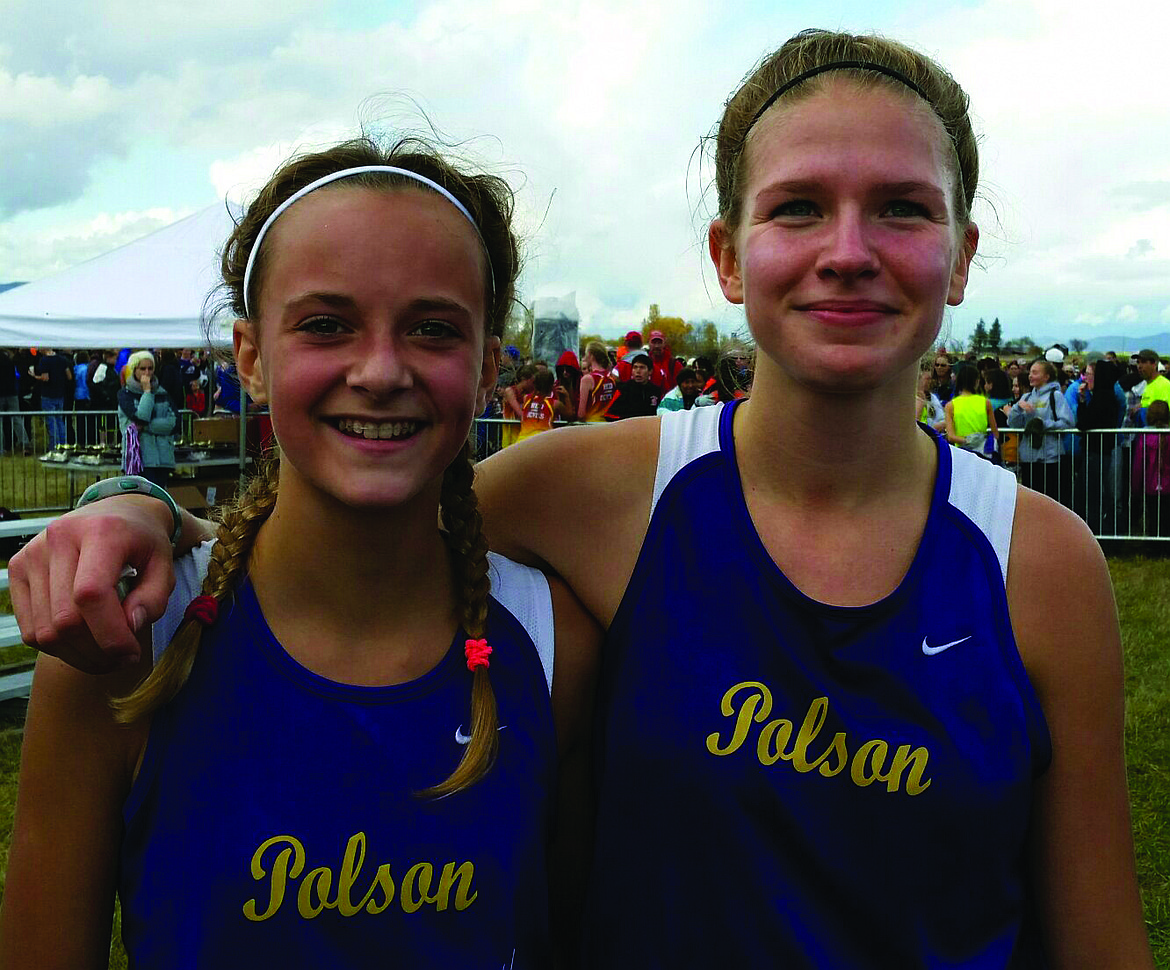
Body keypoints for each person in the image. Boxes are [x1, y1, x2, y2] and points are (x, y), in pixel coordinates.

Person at [7, 30, 1153, 969]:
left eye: (903, 207)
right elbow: (344, 545)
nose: (847, 251)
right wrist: (139, 512)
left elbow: (1094, 934)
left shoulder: (1038, 566)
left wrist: (138, 512)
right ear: (726, 253)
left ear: (959, 256)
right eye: (798, 206)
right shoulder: (597, 492)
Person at [0, 138, 601, 968]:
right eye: (326, 324)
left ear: (489, 365)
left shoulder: (552, 642)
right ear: (250, 358)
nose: (382, 370)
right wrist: (140, 504)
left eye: (432, 329)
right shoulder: (123, 639)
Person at [1007, 358, 1076, 503]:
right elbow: (1013, 424)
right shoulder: (1026, 397)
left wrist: (1043, 424)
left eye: (1035, 372)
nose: (1031, 376)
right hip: (1028, 456)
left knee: (1049, 498)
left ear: (1046, 377)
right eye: (1030, 372)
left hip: (1049, 456)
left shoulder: (1055, 396)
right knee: (1031, 499)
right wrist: (1017, 409)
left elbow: (1067, 422)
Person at [117, 351, 177, 487]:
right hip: (140, 459)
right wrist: (147, 392)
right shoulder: (125, 395)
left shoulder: (162, 393)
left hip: (163, 458)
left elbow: (173, 423)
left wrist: (146, 427)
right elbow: (141, 417)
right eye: (142, 368)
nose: (147, 372)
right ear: (134, 370)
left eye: (150, 368)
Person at [943, 363, 997, 456]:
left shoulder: (950, 405)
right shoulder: (985, 402)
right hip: (983, 451)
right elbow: (995, 431)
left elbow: (951, 436)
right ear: (976, 381)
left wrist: (967, 440)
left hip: (961, 451)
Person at [32, 347, 72, 449]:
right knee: (60, 421)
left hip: (48, 395)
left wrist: (35, 376)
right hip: (60, 394)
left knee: (51, 422)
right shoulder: (62, 359)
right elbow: (69, 376)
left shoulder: (44, 360)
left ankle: (54, 447)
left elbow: (45, 378)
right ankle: (63, 445)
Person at [518, 368, 569, 441]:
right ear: (552, 385)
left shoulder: (526, 398)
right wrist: (566, 396)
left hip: (523, 441)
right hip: (543, 440)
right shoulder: (555, 403)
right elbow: (570, 415)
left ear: (535, 384)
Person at [606, 353, 661, 419]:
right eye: (635, 367)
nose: (638, 371)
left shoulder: (656, 391)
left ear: (650, 371)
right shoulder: (623, 390)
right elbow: (610, 414)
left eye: (642, 367)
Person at [577, 341, 618, 422]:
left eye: (586, 354)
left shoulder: (587, 379)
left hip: (592, 425)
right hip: (609, 424)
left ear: (591, 356)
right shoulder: (612, 377)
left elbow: (581, 414)